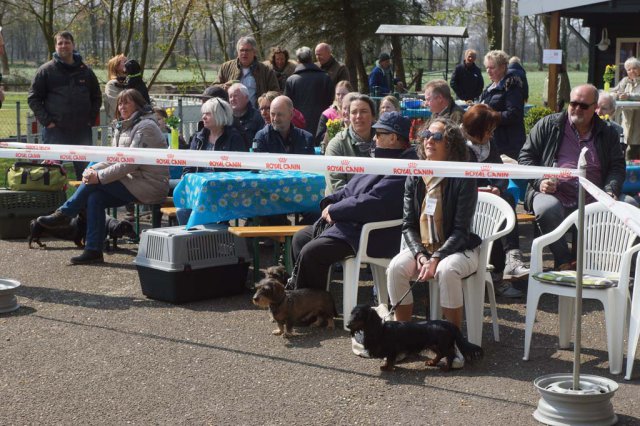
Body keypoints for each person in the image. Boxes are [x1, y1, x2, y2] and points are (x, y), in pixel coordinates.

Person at [36, 89, 169, 265]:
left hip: (151, 186)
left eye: (126, 103)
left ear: (138, 104)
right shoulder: (122, 126)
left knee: (95, 186)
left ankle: (65, 213)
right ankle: (93, 250)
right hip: (133, 182)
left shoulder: (146, 127)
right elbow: (112, 159)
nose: (121, 107)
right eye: (120, 103)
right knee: (95, 197)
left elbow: (129, 163)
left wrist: (98, 177)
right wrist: (90, 172)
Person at [290, 111, 418, 291]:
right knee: (300, 238)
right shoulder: (381, 159)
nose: (374, 138)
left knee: (312, 252)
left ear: (393, 138)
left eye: (379, 134)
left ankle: (311, 310)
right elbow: (349, 189)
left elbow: (375, 202)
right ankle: (309, 304)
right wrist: (329, 203)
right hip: (350, 226)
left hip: (373, 234)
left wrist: (335, 210)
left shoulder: (405, 167)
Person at [387, 119, 481, 360]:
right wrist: (420, 254)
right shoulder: (415, 175)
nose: (429, 139)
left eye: (437, 137)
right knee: (396, 267)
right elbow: (408, 224)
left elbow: (461, 230)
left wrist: (437, 257)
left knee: (447, 270)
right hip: (424, 247)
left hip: (458, 249)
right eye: (426, 134)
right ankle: (403, 340)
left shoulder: (464, 175)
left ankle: (453, 345)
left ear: (451, 144)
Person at [519, 84, 627, 270]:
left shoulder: (608, 132)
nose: (576, 108)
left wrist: (611, 190)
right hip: (554, 194)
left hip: (595, 197)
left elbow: (617, 166)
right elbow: (525, 157)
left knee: (631, 206)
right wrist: (540, 181)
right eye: (573, 103)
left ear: (595, 108)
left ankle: (625, 269)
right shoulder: (548, 125)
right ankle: (563, 261)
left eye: (583, 106)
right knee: (546, 209)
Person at [462, 104, 529, 296]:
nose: (492, 135)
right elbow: (457, 180)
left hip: (490, 196)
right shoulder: (458, 146)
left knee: (505, 199)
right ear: (476, 130)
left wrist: (497, 188)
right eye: (488, 131)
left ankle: (510, 260)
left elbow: (500, 172)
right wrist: (481, 190)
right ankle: (501, 271)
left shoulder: (490, 145)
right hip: (466, 197)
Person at [28, 31, 102, 179]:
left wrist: (90, 119)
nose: (63, 46)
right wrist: (47, 122)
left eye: (67, 42)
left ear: (73, 45)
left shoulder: (86, 72)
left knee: (86, 174)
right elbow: (33, 98)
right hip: (55, 132)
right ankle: (52, 202)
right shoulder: (45, 71)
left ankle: (84, 202)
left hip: (81, 131)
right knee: (51, 173)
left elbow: (96, 97)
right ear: (55, 47)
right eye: (60, 43)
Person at [177, 98, 247, 225]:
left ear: (219, 115)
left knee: (200, 214)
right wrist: (186, 178)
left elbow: (239, 171)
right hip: (198, 190)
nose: (203, 117)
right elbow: (189, 165)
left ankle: (210, 240)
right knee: (182, 212)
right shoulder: (198, 137)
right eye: (203, 114)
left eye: (208, 114)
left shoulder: (234, 138)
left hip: (224, 191)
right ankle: (193, 242)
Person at [324, 94, 376, 195]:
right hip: (343, 205)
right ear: (348, 116)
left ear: (373, 115)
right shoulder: (336, 145)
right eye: (354, 112)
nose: (358, 116)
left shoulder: (384, 141)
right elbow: (337, 187)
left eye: (364, 111)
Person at [479, 50, 525, 161]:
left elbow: (514, 114)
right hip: (493, 141)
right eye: (487, 67)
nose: (488, 71)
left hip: (508, 143)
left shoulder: (512, 86)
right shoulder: (490, 88)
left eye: (492, 68)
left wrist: (490, 116)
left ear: (503, 67)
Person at [212, 36, 279, 106]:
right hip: (231, 113)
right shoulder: (226, 67)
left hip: (257, 113)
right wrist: (224, 87)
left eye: (247, 50)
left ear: (254, 52)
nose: (244, 53)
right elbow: (213, 89)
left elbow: (276, 92)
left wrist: (264, 100)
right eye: (241, 50)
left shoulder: (266, 70)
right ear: (238, 52)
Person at [285, 46, 334, 137]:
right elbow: (331, 102)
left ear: (298, 61)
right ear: (311, 59)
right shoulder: (325, 77)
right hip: (322, 124)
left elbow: (287, 106)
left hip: (298, 126)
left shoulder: (291, 80)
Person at [610, 56, 640, 160]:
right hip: (626, 120)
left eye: (634, 68)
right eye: (629, 69)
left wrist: (629, 96)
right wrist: (618, 94)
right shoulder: (625, 81)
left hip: (638, 122)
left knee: (635, 148)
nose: (632, 71)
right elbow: (613, 92)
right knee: (626, 149)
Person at [315, 80, 353, 146]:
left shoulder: (356, 112)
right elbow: (319, 138)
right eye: (338, 94)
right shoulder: (327, 114)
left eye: (344, 94)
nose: (340, 97)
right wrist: (332, 131)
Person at [228, 82, 265, 149]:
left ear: (246, 98)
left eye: (235, 96)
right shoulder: (226, 118)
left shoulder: (258, 117)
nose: (232, 99)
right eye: (230, 96)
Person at [104, 54, 128, 122]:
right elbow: (116, 105)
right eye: (125, 62)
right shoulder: (111, 84)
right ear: (116, 66)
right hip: (121, 122)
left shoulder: (130, 81)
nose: (128, 63)